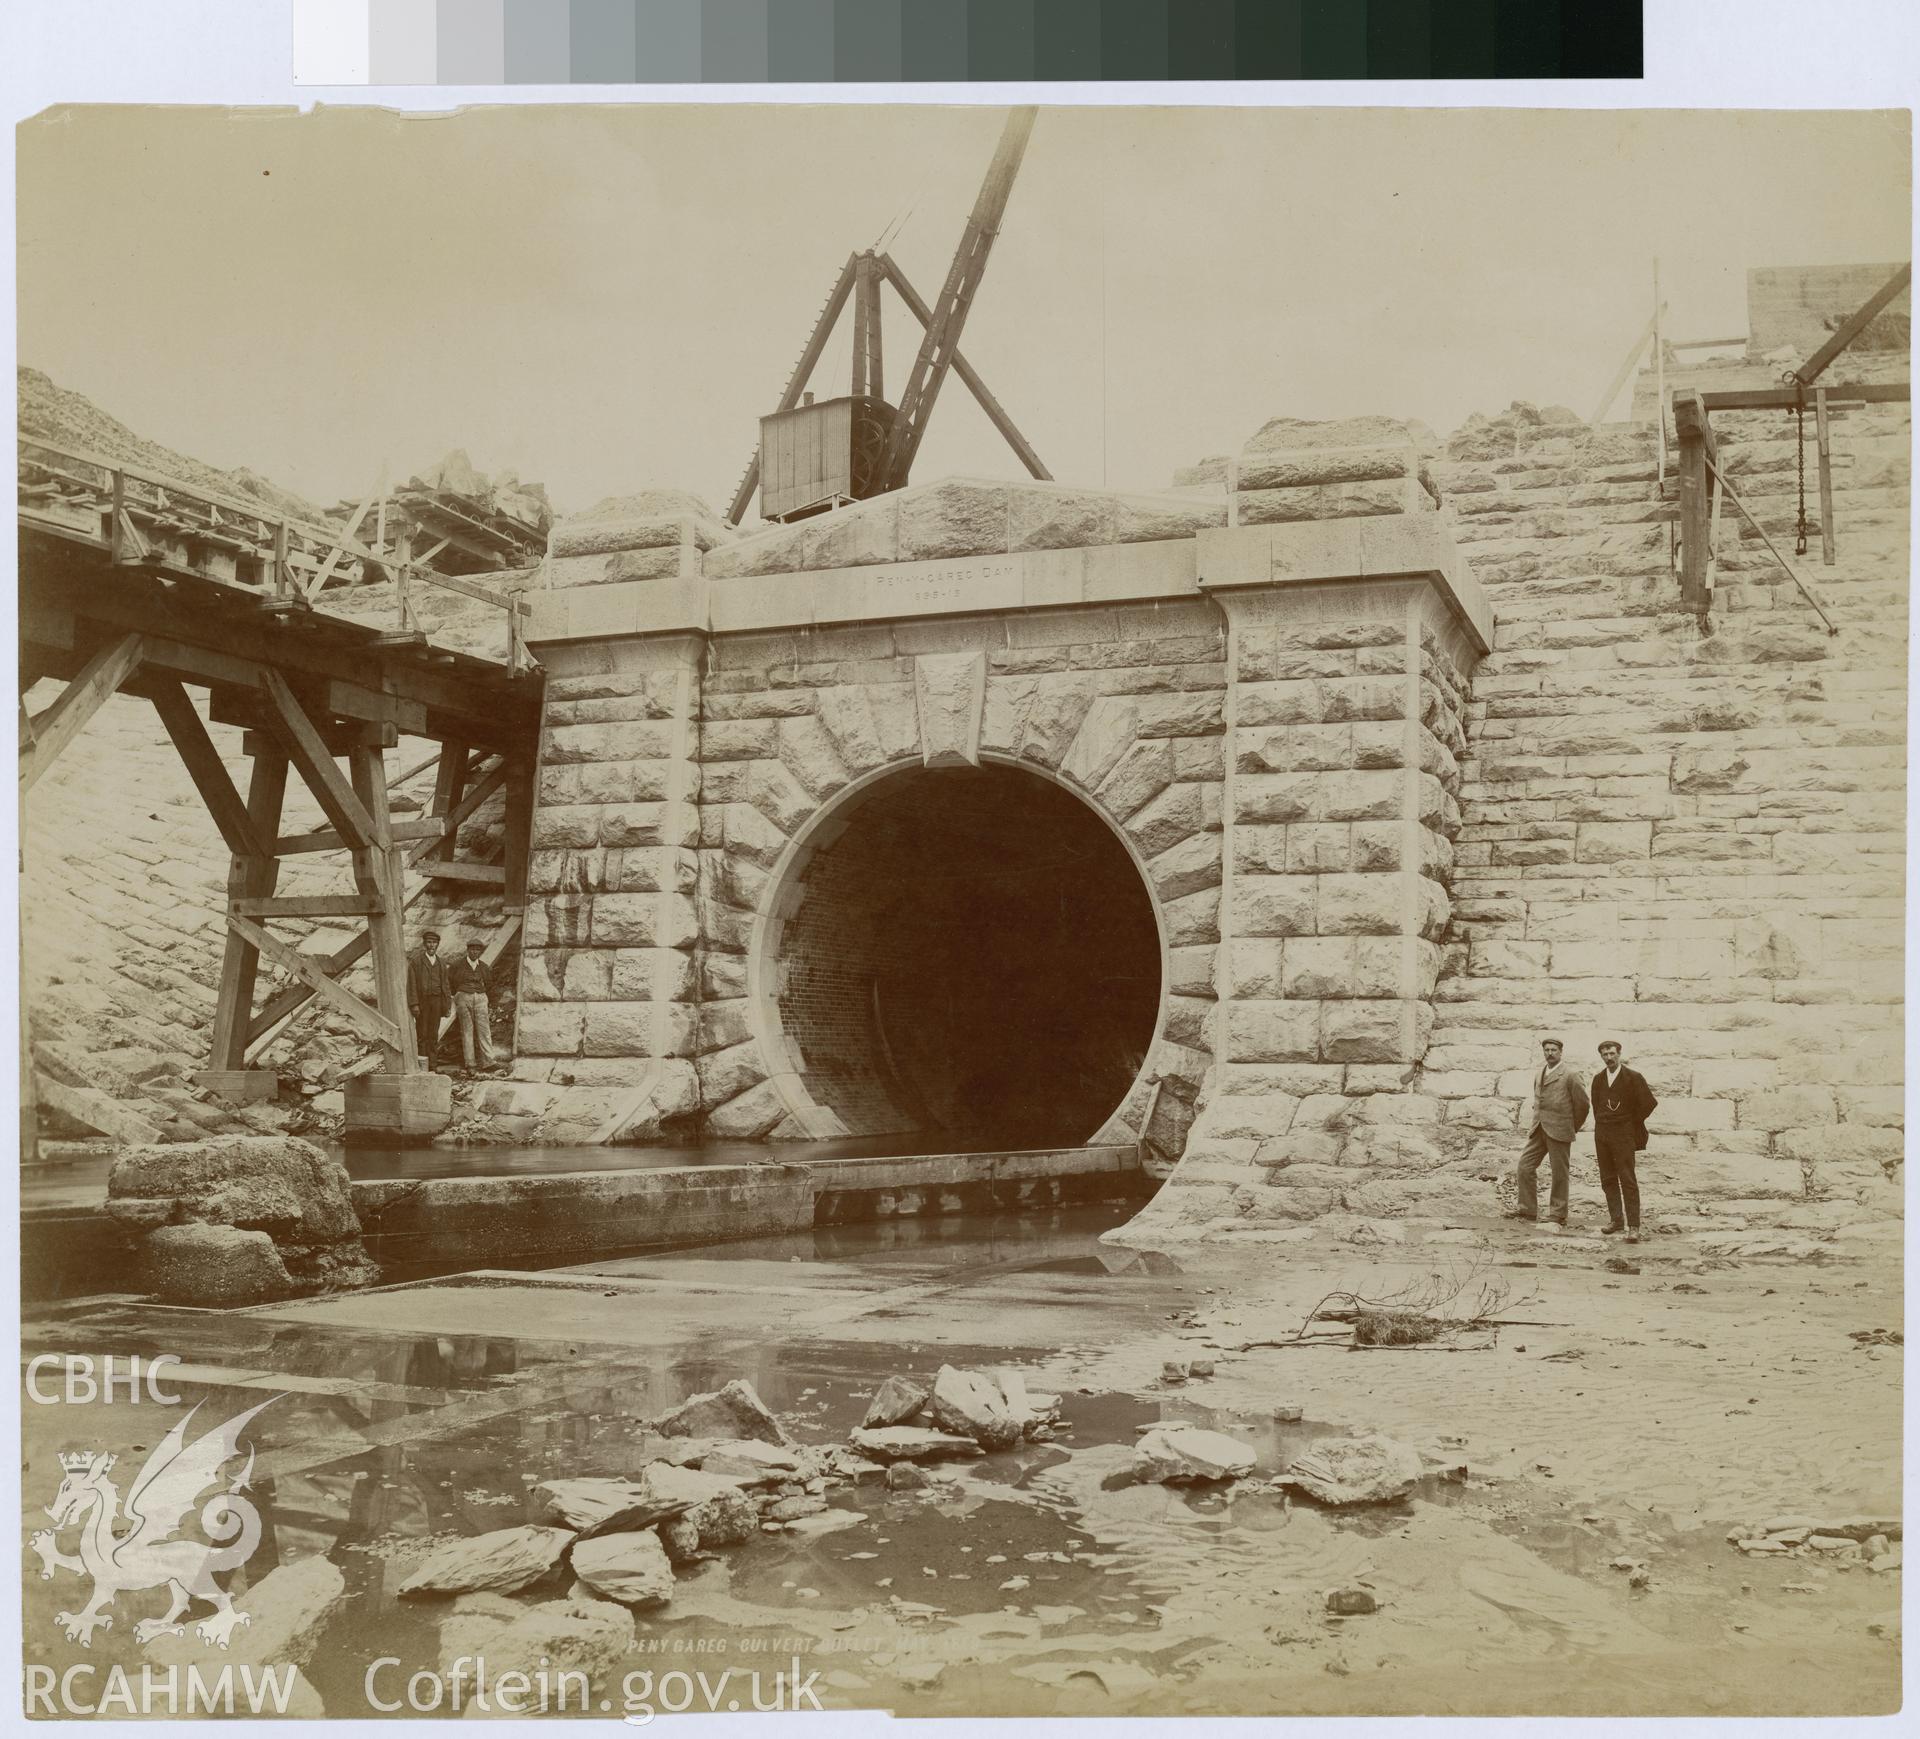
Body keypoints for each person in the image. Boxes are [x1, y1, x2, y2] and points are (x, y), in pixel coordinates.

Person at [1506, 1037, 1589, 1229]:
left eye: (1553, 1050)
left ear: (1561, 1052)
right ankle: (1527, 1209)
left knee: (1559, 1173)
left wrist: (1571, 1126)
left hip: (1560, 1130)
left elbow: (1583, 1105)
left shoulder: (1571, 1074)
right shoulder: (1539, 1073)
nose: (1550, 1053)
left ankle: (1558, 1214)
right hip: (1539, 1129)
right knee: (1525, 1167)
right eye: (1546, 1050)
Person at [1590, 1039, 1658, 1242]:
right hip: (1602, 1133)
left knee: (1627, 1179)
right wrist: (1604, 1124)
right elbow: (1596, 1105)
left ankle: (1634, 1226)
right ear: (1601, 1056)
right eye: (1605, 1054)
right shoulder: (1598, 1079)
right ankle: (1616, 1220)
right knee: (1607, 1178)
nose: (1609, 1058)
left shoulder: (1633, 1077)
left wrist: (1629, 1122)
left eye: (1612, 1053)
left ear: (1619, 1054)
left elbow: (1648, 1103)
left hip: (1624, 1134)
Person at [446, 937, 495, 1075]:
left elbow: (489, 984)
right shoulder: (457, 965)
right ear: (468, 950)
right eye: (472, 949)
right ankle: (470, 1063)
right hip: (463, 996)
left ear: (480, 952)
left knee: (484, 1030)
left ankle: (489, 1061)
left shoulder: (484, 967)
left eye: (477, 950)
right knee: (467, 1030)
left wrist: (483, 996)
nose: (475, 952)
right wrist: (456, 995)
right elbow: (449, 981)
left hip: (480, 997)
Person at [405, 929, 449, 1070]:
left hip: (436, 1002)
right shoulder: (416, 962)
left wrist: (446, 1005)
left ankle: (433, 1065)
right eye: (429, 942)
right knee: (422, 1034)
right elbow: (411, 984)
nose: (432, 945)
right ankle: (422, 1065)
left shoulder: (441, 962)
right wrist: (414, 1004)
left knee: (433, 1034)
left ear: (438, 945)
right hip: (423, 1002)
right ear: (424, 944)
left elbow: (446, 985)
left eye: (434, 943)